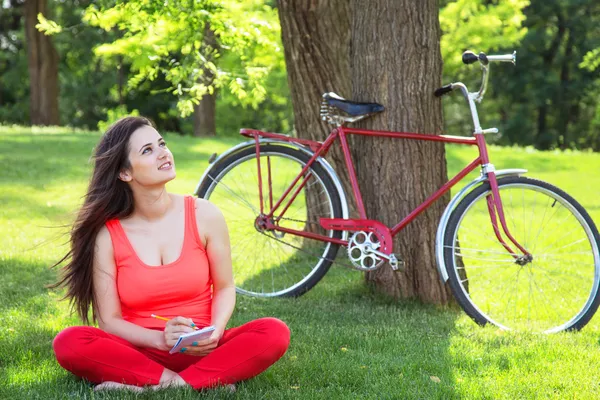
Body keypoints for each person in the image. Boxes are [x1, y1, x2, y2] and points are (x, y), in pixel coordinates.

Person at [51, 116, 290, 392]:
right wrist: (159, 341)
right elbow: (109, 320)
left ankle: (152, 385)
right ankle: (197, 383)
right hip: (141, 350)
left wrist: (214, 331)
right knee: (69, 342)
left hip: (204, 347)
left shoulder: (205, 215)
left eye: (161, 143)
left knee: (274, 332)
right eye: (147, 150)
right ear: (125, 173)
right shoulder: (108, 235)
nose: (163, 153)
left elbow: (225, 287)